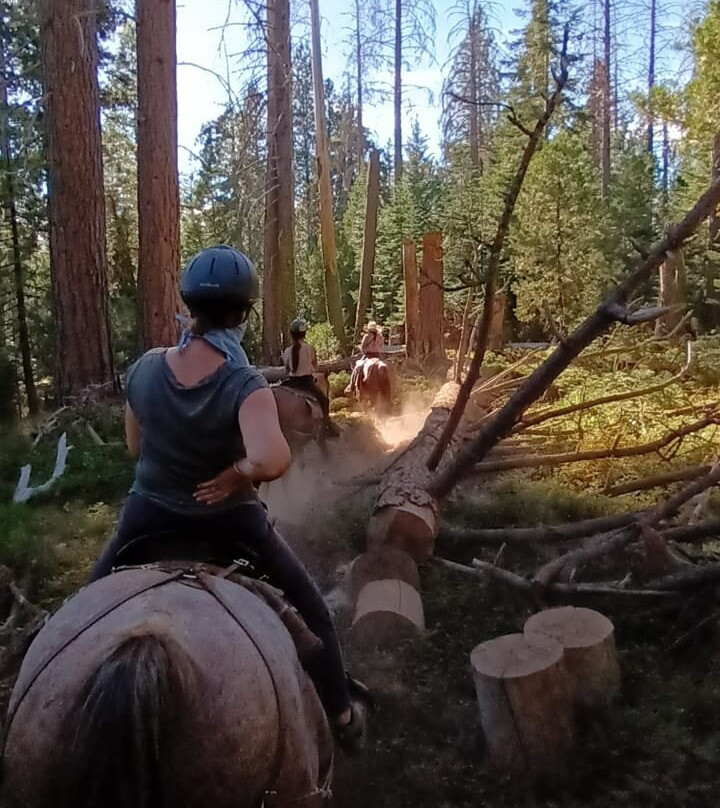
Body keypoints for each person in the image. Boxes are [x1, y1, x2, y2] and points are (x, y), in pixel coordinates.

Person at [90, 244, 367, 753]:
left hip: (146, 514)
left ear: (190, 306)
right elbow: (273, 459)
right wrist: (236, 472)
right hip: (230, 523)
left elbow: (135, 446)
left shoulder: (146, 369)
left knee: (83, 607)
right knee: (312, 609)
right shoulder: (245, 383)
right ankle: (342, 711)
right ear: (243, 313)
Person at [281, 318, 338, 437]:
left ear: (291, 334)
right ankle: (326, 426)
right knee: (324, 400)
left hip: (291, 382)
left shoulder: (286, 351)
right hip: (305, 382)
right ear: (304, 334)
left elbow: (287, 370)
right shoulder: (309, 349)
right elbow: (315, 366)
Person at [346, 320, 385, 396]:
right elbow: (382, 347)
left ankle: (351, 386)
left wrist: (365, 352)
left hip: (368, 356)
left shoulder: (367, 336)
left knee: (357, 367)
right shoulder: (380, 337)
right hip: (377, 356)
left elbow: (363, 347)